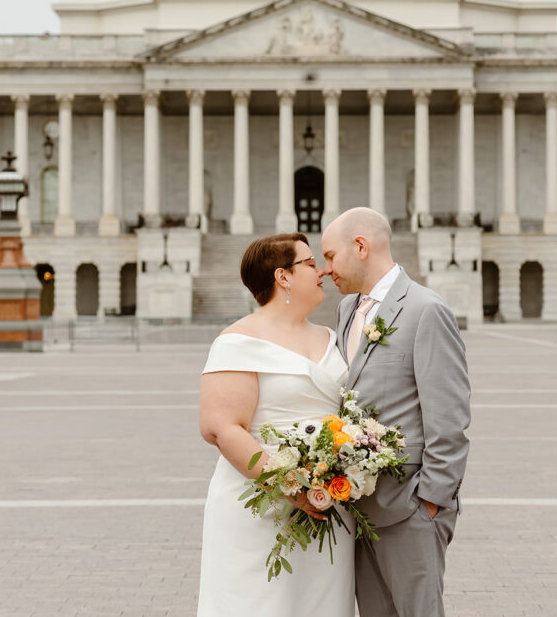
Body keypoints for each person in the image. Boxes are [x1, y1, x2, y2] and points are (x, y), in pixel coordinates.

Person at [321, 207, 471, 617]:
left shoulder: (426, 309)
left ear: (361, 246)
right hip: (358, 510)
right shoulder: (346, 310)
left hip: (410, 509)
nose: (324, 269)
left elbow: (449, 417)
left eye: (331, 256)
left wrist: (430, 503)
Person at [198, 233, 354, 617]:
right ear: (282, 276)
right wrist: (291, 486)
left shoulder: (332, 338)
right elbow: (221, 427)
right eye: (310, 263)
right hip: (261, 505)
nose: (322, 271)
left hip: (327, 506)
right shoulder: (238, 340)